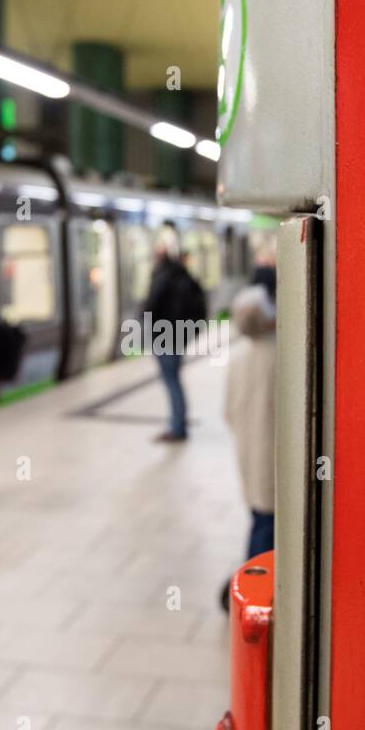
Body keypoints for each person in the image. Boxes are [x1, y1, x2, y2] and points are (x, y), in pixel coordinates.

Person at [220, 262, 278, 611]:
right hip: (273, 458)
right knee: (266, 527)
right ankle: (245, 595)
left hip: (248, 455)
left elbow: (228, 413)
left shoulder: (238, 359)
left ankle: (245, 588)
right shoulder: (281, 356)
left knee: (259, 518)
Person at [144, 240, 206, 443]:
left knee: (172, 382)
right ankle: (178, 424)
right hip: (179, 336)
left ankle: (177, 428)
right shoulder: (184, 275)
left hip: (164, 336)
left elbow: (151, 305)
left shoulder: (162, 276)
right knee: (175, 381)